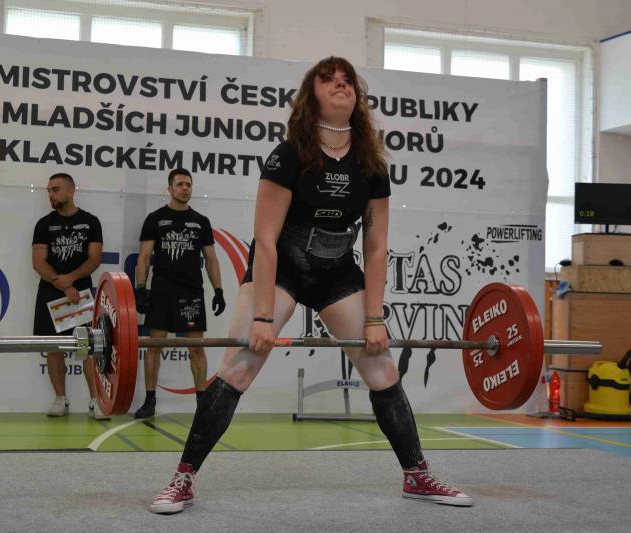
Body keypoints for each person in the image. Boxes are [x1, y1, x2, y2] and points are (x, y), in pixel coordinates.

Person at [148, 57, 473, 514]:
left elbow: (376, 246)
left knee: (382, 370)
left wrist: (374, 318)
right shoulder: (289, 155)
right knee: (238, 367)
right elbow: (265, 239)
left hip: (336, 271)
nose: (341, 85)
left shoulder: (371, 163)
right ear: (311, 95)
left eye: (348, 81)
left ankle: (417, 476)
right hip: (282, 268)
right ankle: (182, 479)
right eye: (329, 80)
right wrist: (263, 317)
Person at [133, 168, 226, 419]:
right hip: (162, 291)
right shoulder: (155, 219)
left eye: (188, 184)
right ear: (170, 188)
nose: (185, 188)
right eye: (180, 184)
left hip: (191, 291)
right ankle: (150, 401)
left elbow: (211, 259)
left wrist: (218, 290)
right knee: (155, 346)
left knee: (196, 348)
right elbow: (144, 257)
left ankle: (202, 403)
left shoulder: (200, 221)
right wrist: (140, 288)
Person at [32, 172, 108, 419]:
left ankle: (95, 400)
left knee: (87, 348)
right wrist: (64, 286)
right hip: (52, 292)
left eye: (55, 189)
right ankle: (60, 399)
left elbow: (94, 259)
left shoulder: (90, 222)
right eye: (48, 190)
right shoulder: (44, 224)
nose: (51, 194)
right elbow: (38, 262)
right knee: (54, 348)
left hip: (81, 293)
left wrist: (72, 279)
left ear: (71, 191)